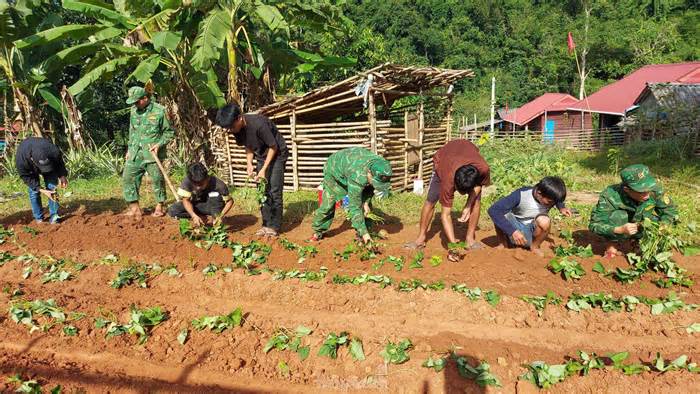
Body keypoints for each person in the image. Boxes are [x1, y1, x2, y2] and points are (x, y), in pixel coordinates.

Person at [405, 139, 491, 260]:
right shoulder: (447, 179)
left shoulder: (483, 169)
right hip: (443, 161)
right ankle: (420, 238)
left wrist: (468, 205)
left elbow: (478, 187)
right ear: (454, 184)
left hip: (465, 153)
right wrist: (452, 246)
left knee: (476, 201)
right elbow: (445, 215)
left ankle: (470, 240)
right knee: (431, 200)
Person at [215, 103, 288, 237]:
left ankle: (274, 226)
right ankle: (266, 224)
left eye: (231, 126)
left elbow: (273, 147)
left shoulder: (259, 124)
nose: (230, 130)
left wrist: (263, 169)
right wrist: (249, 163)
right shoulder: (236, 129)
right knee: (262, 190)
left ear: (239, 118)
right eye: (228, 128)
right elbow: (248, 145)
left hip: (277, 154)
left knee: (274, 190)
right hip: (261, 155)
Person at [589, 164, 678, 258]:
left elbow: (670, 211)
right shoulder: (611, 194)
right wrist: (619, 229)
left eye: (648, 189)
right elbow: (595, 224)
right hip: (622, 225)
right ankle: (612, 247)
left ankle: (639, 243)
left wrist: (664, 225)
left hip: (643, 223)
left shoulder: (654, 190)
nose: (647, 195)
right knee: (617, 216)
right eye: (642, 192)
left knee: (655, 222)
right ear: (627, 190)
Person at [309, 147, 392, 244]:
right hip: (334, 170)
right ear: (369, 173)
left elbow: (370, 188)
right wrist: (364, 233)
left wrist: (366, 203)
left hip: (352, 167)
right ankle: (317, 232)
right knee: (328, 204)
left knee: (367, 209)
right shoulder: (357, 175)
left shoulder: (382, 166)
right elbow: (354, 206)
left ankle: (364, 234)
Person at [122, 86, 174, 218]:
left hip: (152, 153)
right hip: (135, 152)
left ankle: (160, 205)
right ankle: (134, 207)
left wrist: (159, 144)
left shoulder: (160, 111)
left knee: (157, 179)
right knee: (128, 177)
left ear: (145, 98)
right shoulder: (133, 110)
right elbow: (131, 131)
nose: (135, 104)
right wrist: (129, 149)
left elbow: (169, 133)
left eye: (137, 101)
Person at [488, 176, 572, 256]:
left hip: (531, 234)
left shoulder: (549, 197)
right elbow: (493, 210)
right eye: (549, 202)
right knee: (500, 212)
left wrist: (562, 207)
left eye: (554, 202)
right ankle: (503, 244)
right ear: (539, 193)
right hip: (514, 229)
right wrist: (513, 231)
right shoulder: (521, 194)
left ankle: (534, 247)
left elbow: (556, 200)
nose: (551, 204)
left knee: (545, 220)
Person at [15, 137, 68, 224]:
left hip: (48, 159)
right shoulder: (22, 159)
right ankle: (39, 218)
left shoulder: (53, 151)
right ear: (32, 159)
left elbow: (59, 162)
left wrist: (62, 175)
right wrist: (42, 190)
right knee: (34, 192)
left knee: (52, 188)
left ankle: (54, 217)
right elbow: (26, 177)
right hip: (30, 169)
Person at [167, 162, 234, 226]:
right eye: (195, 184)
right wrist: (193, 215)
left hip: (213, 206)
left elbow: (230, 201)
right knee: (173, 210)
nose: (198, 187)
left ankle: (215, 219)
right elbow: (186, 200)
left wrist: (220, 216)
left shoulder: (219, 184)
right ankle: (200, 217)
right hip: (197, 206)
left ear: (207, 178)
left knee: (215, 195)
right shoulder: (187, 181)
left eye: (201, 184)